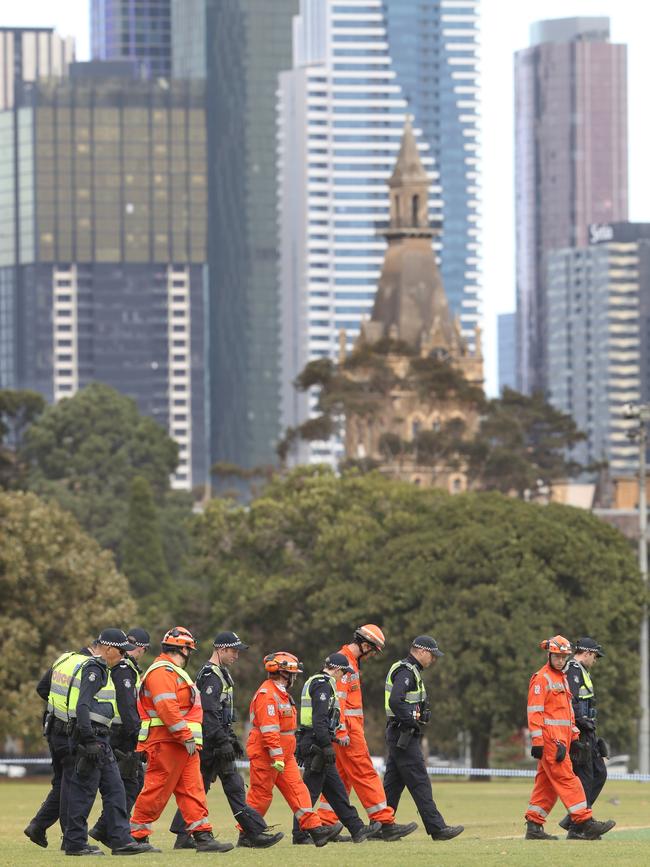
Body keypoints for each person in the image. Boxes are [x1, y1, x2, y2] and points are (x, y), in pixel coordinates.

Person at [170, 631, 283, 850]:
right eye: (233, 651)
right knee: (233, 787)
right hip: (212, 744)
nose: (236, 655)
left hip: (213, 741)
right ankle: (254, 833)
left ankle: (183, 836)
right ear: (221, 650)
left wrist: (230, 739)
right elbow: (209, 712)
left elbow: (219, 714)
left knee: (200, 788)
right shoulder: (212, 676)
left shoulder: (218, 673)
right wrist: (223, 742)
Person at [130, 626, 233, 853]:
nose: (191, 654)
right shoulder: (162, 672)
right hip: (167, 742)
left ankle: (203, 836)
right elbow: (167, 708)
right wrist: (185, 735)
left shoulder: (173, 671)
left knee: (193, 790)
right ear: (184, 649)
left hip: (182, 745)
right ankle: (135, 837)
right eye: (190, 649)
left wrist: (187, 740)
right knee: (156, 790)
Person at [60, 628, 156, 855]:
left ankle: (121, 841)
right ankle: (75, 843)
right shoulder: (94, 669)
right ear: (109, 649)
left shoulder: (108, 669)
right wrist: (88, 740)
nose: (124, 656)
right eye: (121, 651)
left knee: (116, 790)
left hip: (103, 738)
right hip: (91, 739)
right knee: (84, 793)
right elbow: (82, 706)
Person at [318, 624, 417, 841]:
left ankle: (326, 824)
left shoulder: (348, 661)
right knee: (365, 773)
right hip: (347, 731)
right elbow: (339, 702)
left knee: (341, 779)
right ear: (365, 645)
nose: (372, 656)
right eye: (373, 651)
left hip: (344, 730)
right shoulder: (344, 663)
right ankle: (384, 822)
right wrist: (342, 730)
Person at [525, 635, 616, 842]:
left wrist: (574, 736)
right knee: (569, 780)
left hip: (563, 740)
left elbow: (567, 713)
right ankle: (584, 821)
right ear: (549, 655)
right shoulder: (542, 678)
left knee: (546, 785)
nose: (560, 660)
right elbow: (535, 712)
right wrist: (537, 742)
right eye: (557, 656)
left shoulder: (561, 679)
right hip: (551, 742)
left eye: (563, 656)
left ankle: (534, 825)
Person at [246, 651, 342, 847]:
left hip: (284, 754)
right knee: (261, 794)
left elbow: (287, 728)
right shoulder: (267, 695)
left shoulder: (281, 694)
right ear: (283, 673)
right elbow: (269, 729)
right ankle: (248, 834)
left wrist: (288, 752)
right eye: (293, 673)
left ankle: (315, 830)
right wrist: (276, 755)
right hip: (268, 754)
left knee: (299, 790)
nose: (295, 677)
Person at [293, 652, 380, 845]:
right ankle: (299, 834)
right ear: (338, 669)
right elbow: (319, 720)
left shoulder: (316, 681)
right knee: (310, 791)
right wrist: (326, 745)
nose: (344, 677)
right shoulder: (323, 684)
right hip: (317, 743)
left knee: (337, 790)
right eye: (344, 673)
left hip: (316, 741)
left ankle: (357, 829)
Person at [384, 635, 464, 841]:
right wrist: (411, 721)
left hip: (398, 733)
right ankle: (437, 828)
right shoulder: (406, 672)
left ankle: (381, 826)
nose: (433, 659)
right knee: (420, 782)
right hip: (403, 733)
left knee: (392, 785)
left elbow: (405, 702)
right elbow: (396, 701)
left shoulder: (409, 671)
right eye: (432, 655)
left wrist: (420, 714)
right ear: (420, 651)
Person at [24, 640, 96, 849]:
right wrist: (70, 712)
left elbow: (41, 688)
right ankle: (70, 838)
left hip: (53, 730)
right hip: (69, 733)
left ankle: (38, 825)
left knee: (62, 783)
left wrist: (58, 708)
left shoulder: (64, 659)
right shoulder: (88, 666)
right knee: (73, 784)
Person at [89, 629, 151, 847]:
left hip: (115, 732)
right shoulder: (124, 669)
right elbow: (126, 706)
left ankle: (105, 829)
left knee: (123, 784)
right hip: (121, 734)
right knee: (128, 784)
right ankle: (110, 831)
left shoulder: (124, 667)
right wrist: (137, 737)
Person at [558, 637, 609, 834]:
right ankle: (579, 826)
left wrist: (594, 733)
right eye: (595, 656)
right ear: (587, 653)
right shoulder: (573, 670)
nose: (595, 660)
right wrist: (580, 725)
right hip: (579, 732)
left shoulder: (582, 671)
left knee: (600, 773)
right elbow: (571, 700)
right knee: (586, 778)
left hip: (588, 731)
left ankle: (575, 818)